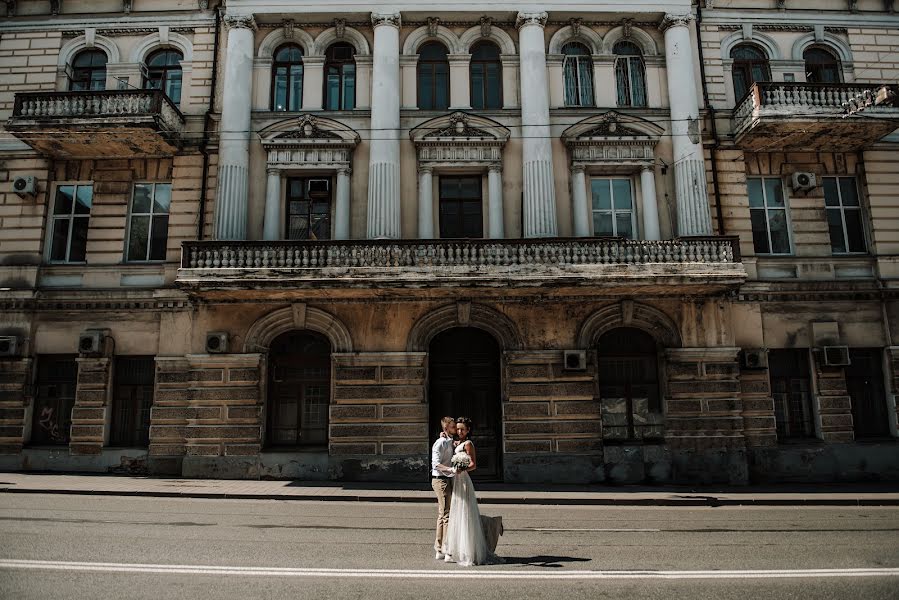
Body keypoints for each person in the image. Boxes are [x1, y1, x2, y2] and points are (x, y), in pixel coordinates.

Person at [441, 417, 502, 566]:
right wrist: (444, 435)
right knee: (457, 512)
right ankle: (456, 550)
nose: (460, 431)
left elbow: (474, 465)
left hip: (464, 480)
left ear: (468, 431)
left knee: (466, 512)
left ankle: (469, 551)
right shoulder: (458, 442)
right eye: (458, 428)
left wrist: (462, 469)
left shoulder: (468, 444)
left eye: (463, 429)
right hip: (457, 481)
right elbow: (449, 441)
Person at [430, 416, 457, 560]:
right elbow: (435, 464)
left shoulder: (449, 441)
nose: (456, 429)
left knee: (443, 515)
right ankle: (447, 551)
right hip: (440, 481)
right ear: (446, 428)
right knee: (446, 515)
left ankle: (439, 549)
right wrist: (451, 470)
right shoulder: (439, 443)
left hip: (447, 479)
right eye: (453, 427)